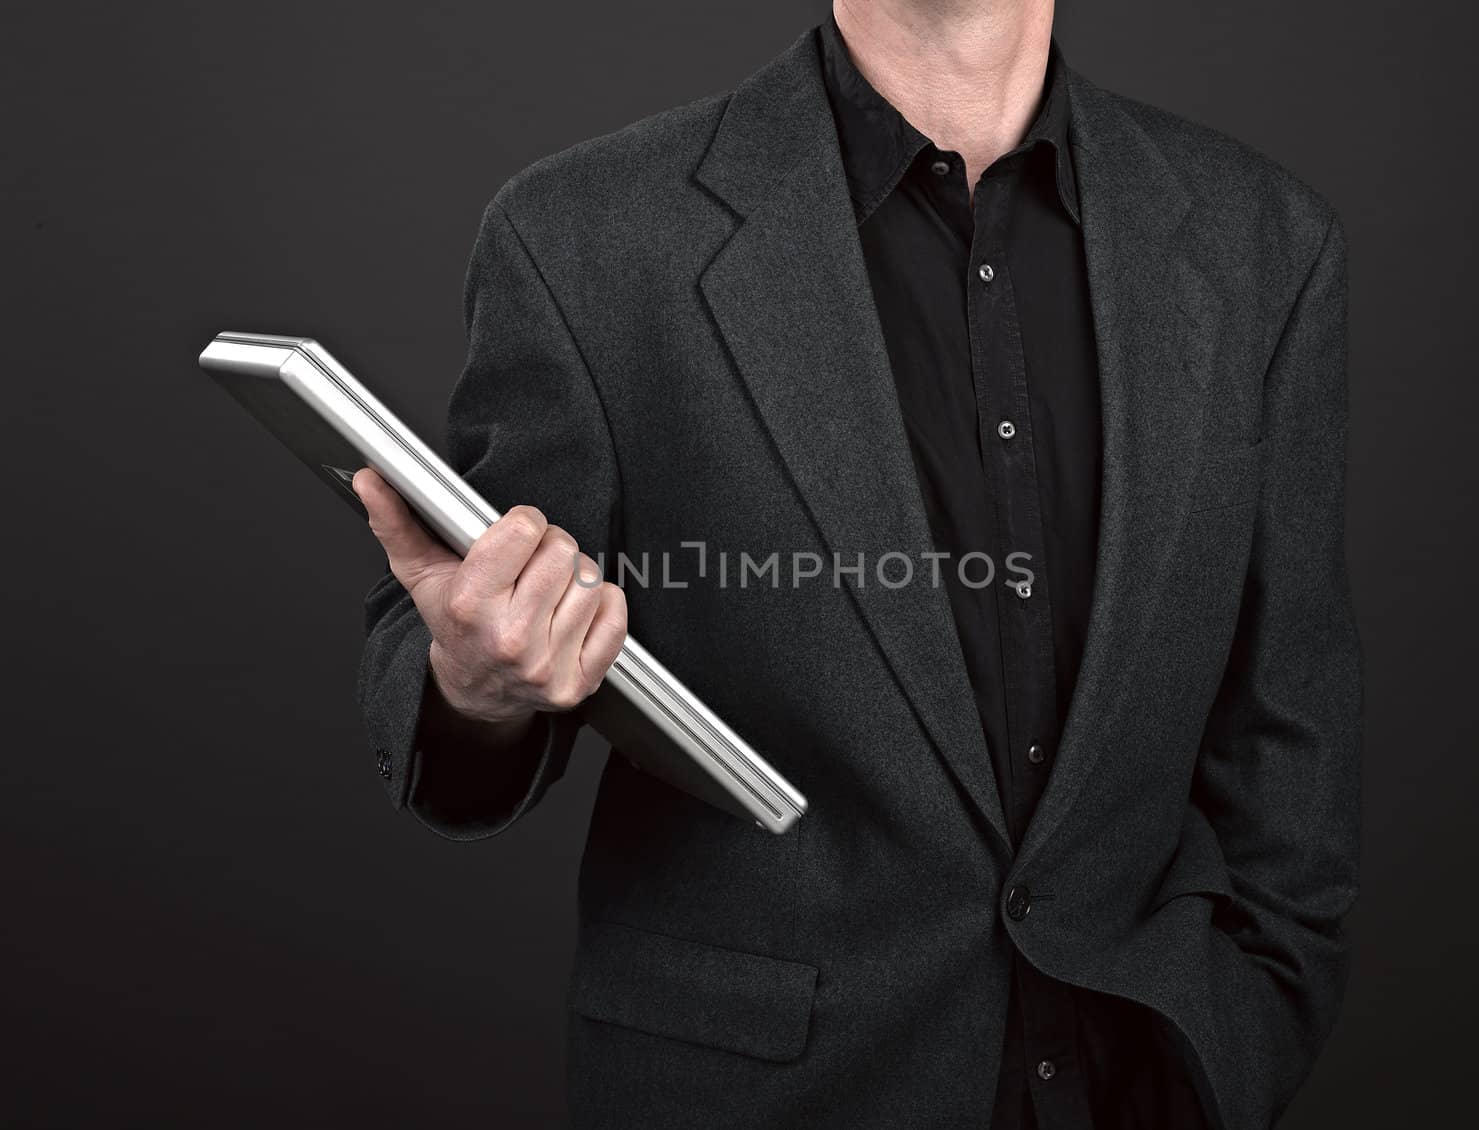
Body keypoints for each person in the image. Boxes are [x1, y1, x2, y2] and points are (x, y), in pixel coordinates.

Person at [352, 1, 1362, 1126]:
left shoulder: (1264, 243)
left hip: (1141, 1084)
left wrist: (1245, 1028)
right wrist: (472, 686)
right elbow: (466, 641)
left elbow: (1289, 726)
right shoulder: (582, 237)